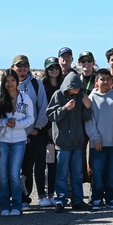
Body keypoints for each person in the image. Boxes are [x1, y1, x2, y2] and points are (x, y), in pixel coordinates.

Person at [47, 71, 92, 212]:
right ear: (68, 86)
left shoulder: (81, 97)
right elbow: (50, 115)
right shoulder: (58, 95)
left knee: (77, 173)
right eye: (74, 87)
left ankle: (77, 200)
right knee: (61, 174)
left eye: (78, 87)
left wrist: (88, 106)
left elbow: (86, 117)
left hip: (77, 143)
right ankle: (60, 200)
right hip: (62, 143)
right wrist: (65, 108)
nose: (77, 90)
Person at [0, 68, 35, 216]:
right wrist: (5, 122)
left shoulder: (25, 98)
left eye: (12, 80)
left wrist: (17, 124)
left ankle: (17, 205)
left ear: (17, 81)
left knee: (14, 174)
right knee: (3, 174)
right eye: (7, 81)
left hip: (19, 140)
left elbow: (30, 118)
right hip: (2, 140)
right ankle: (4, 204)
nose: (10, 83)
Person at [12, 54, 49, 210]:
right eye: (19, 65)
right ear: (13, 67)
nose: (22, 68)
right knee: (20, 169)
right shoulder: (9, 84)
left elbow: (43, 108)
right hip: (15, 136)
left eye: (25, 65)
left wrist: (37, 128)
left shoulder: (36, 84)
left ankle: (35, 197)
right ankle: (21, 198)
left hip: (34, 133)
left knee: (35, 166)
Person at [85, 68, 113, 210]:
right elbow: (89, 121)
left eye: (108, 79)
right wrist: (95, 138)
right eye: (102, 79)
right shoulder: (91, 98)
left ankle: (111, 198)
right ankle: (96, 198)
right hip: (98, 144)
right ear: (96, 82)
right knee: (98, 173)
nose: (105, 82)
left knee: (112, 173)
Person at [37, 56, 63, 206]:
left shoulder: (62, 86)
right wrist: (46, 128)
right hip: (42, 130)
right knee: (41, 163)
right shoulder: (41, 86)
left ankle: (52, 193)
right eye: (51, 68)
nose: (54, 70)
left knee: (53, 163)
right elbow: (42, 108)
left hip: (57, 131)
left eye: (56, 68)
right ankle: (41, 195)